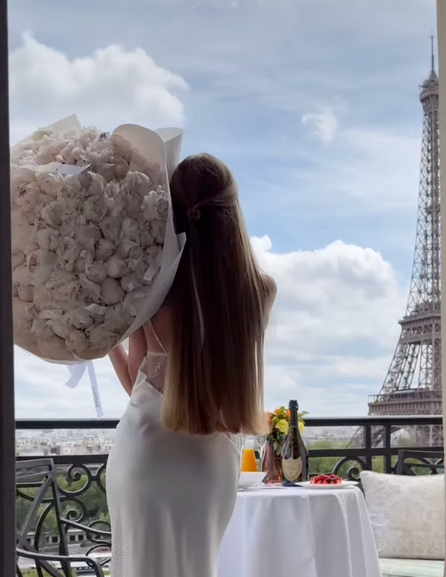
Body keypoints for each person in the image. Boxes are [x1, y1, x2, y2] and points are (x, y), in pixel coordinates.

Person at [106, 153, 277, 577]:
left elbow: (137, 383)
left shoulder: (151, 285)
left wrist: (106, 339)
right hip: (212, 464)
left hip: (147, 452)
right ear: (232, 209)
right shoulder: (260, 292)